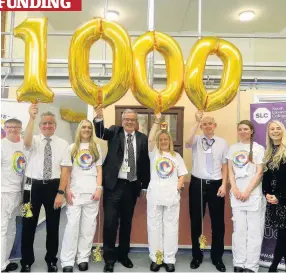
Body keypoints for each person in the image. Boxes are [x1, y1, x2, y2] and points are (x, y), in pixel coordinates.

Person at [93, 106, 150, 273]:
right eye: (127, 119)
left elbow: (145, 163)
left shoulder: (142, 138)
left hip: (131, 186)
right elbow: (101, 133)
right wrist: (99, 117)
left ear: (136, 122)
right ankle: (109, 258)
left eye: (132, 120)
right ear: (122, 121)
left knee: (126, 223)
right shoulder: (114, 132)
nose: (129, 122)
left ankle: (124, 255)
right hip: (113, 185)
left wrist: (144, 186)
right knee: (110, 223)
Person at [20, 104, 72, 272]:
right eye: (44, 123)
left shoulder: (63, 144)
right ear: (40, 126)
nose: (47, 126)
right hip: (32, 188)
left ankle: (51, 260)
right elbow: (26, 142)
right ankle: (26, 261)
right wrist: (32, 118)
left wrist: (60, 192)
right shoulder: (33, 139)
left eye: (50, 123)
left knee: (53, 226)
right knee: (28, 224)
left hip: (53, 187)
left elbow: (65, 169)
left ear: (55, 126)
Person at [185, 111, 228, 272]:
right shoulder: (196, 140)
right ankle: (197, 256)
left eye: (210, 123)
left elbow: (225, 166)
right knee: (196, 222)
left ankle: (217, 257)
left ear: (215, 126)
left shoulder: (223, 143)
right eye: (204, 124)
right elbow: (187, 141)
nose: (207, 126)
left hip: (216, 184)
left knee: (218, 223)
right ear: (201, 127)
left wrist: (224, 185)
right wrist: (196, 122)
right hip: (198, 184)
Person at [60, 120, 103, 272]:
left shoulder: (96, 147)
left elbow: (99, 171)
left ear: (92, 131)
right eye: (84, 127)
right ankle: (67, 261)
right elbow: (67, 172)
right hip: (75, 193)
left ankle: (83, 257)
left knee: (88, 228)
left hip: (92, 194)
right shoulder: (72, 148)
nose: (86, 129)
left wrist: (99, 188)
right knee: (72, 227)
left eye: (89, 128)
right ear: (79, 129)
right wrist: (67, 190)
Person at [147, 113, 187, 272]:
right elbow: (150, 139)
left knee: (171, 227)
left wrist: (177, 188)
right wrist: (157, 121)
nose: (163, 141)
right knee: (154, 227)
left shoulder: (176, 156)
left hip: (171, 197)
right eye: (161, 139)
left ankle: (169, 258)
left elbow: (182, 174)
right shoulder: (154, 153)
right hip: (155, 195)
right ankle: (157, 258)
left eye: (166, 139)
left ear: (170, 141)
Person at [227, 120, 266, 273]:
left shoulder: (258, 149)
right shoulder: (233, 148)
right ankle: (239, 262)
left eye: (245, 129)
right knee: (239, 231)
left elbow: (259, 172)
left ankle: (251, 265)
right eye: (240, 129)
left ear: (251, 131)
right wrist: (235, 189)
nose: (242, 131)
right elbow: (230, 171)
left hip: (253, 195)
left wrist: (247, 191)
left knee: (254, 232)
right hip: (237, 195)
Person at [1, 119, 26, 272]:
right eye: (9, 127)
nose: (12, 129)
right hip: (3, 193)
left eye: (16, 127)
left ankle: (4, 261)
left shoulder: (22, 145)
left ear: (20, 129)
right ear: (4, 128)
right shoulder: (1, 145)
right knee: (2, 230)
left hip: (18, 193)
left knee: (11, 230)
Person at [262, 120, 286, 272]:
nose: (275, 131)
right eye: (272, 129)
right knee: (283, 235)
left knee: (283, 236)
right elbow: (267, 177)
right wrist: (267, 194)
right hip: (274, 201)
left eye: (278, 128)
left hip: (284, 200)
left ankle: (274, 266)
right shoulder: (269, 152)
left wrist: (280, 197)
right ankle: (274, 265)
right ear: (268, 133)